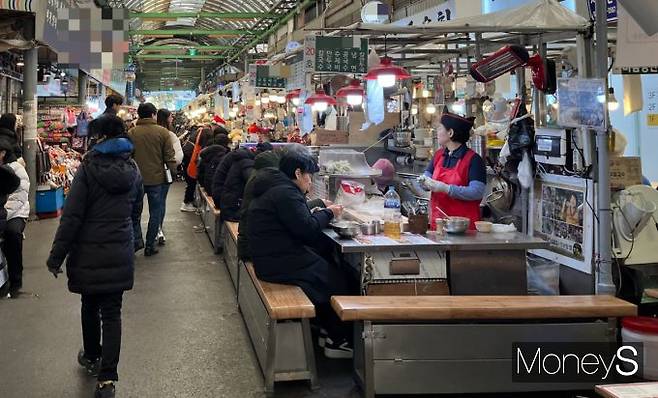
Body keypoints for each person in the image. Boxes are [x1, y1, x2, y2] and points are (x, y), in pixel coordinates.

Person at [46, 115, 143, 398]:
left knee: (89, 304)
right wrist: (131, 238)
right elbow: (136, 210)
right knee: (112, 314)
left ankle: (91, 355)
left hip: (88, 250)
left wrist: (56, 256)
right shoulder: (132, 168)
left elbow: (72, 217)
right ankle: (107, 380)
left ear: (99, 138)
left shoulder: (88, 169)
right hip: (119, 248)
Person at [246, 150, 354, 358]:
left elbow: (298, 222)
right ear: (297, 173)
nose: (310, 181)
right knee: (337, 280)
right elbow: (307, 230)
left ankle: (327, 330)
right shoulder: (285, 193)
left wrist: (316, 213)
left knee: (327, 268)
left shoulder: (277, 188)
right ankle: (337, 340)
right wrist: (329, 212)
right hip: (277, 262)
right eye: (309, 176)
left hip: (271, 256)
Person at [419, 112, 486, 230]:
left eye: (440, 128)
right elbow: (427, 178)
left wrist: (446, 189)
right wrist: (423, 182)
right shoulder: (439, 155)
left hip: (464, 229)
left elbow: (477, 192)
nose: (437, 132)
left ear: (450, 133)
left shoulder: (474, 159)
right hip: (438, 226)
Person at [128, 103, 177, 256]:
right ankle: (150, 245)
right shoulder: (163, 132)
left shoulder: (131, 133)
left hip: (136, 180)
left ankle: (136, 242)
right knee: (155, 212)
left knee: (134, 213)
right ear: (154, 115)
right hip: (157, 179)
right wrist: (173, 173)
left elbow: (128, 156)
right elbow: (170, 157)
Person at [1, 133, 29, 298]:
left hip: (16, 212)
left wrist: (3, 213)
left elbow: (18, 198)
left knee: (13, 234)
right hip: (2, 211)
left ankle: (16, 280)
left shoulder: (16, 169)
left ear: (3, 153)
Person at [155, 108, 183, 245]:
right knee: (160, 202)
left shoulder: (139, 132)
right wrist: (172, 167)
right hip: (164, 172)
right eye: (171, 116)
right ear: (166, 118)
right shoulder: (169, 134)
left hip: (145, 173)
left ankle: (148, 232)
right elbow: (178, 157)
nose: (172, 119)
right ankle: (158, 229)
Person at [211, 146, 256, 222]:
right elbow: (253, 182)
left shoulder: (235, 159)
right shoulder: (245, 163)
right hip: (229, 207)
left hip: (219, 196)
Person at [197, 129, 230, 196]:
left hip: (206, 186)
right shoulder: (224, 155)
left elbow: (200, 171)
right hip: (216, 190)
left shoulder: (207, 152)